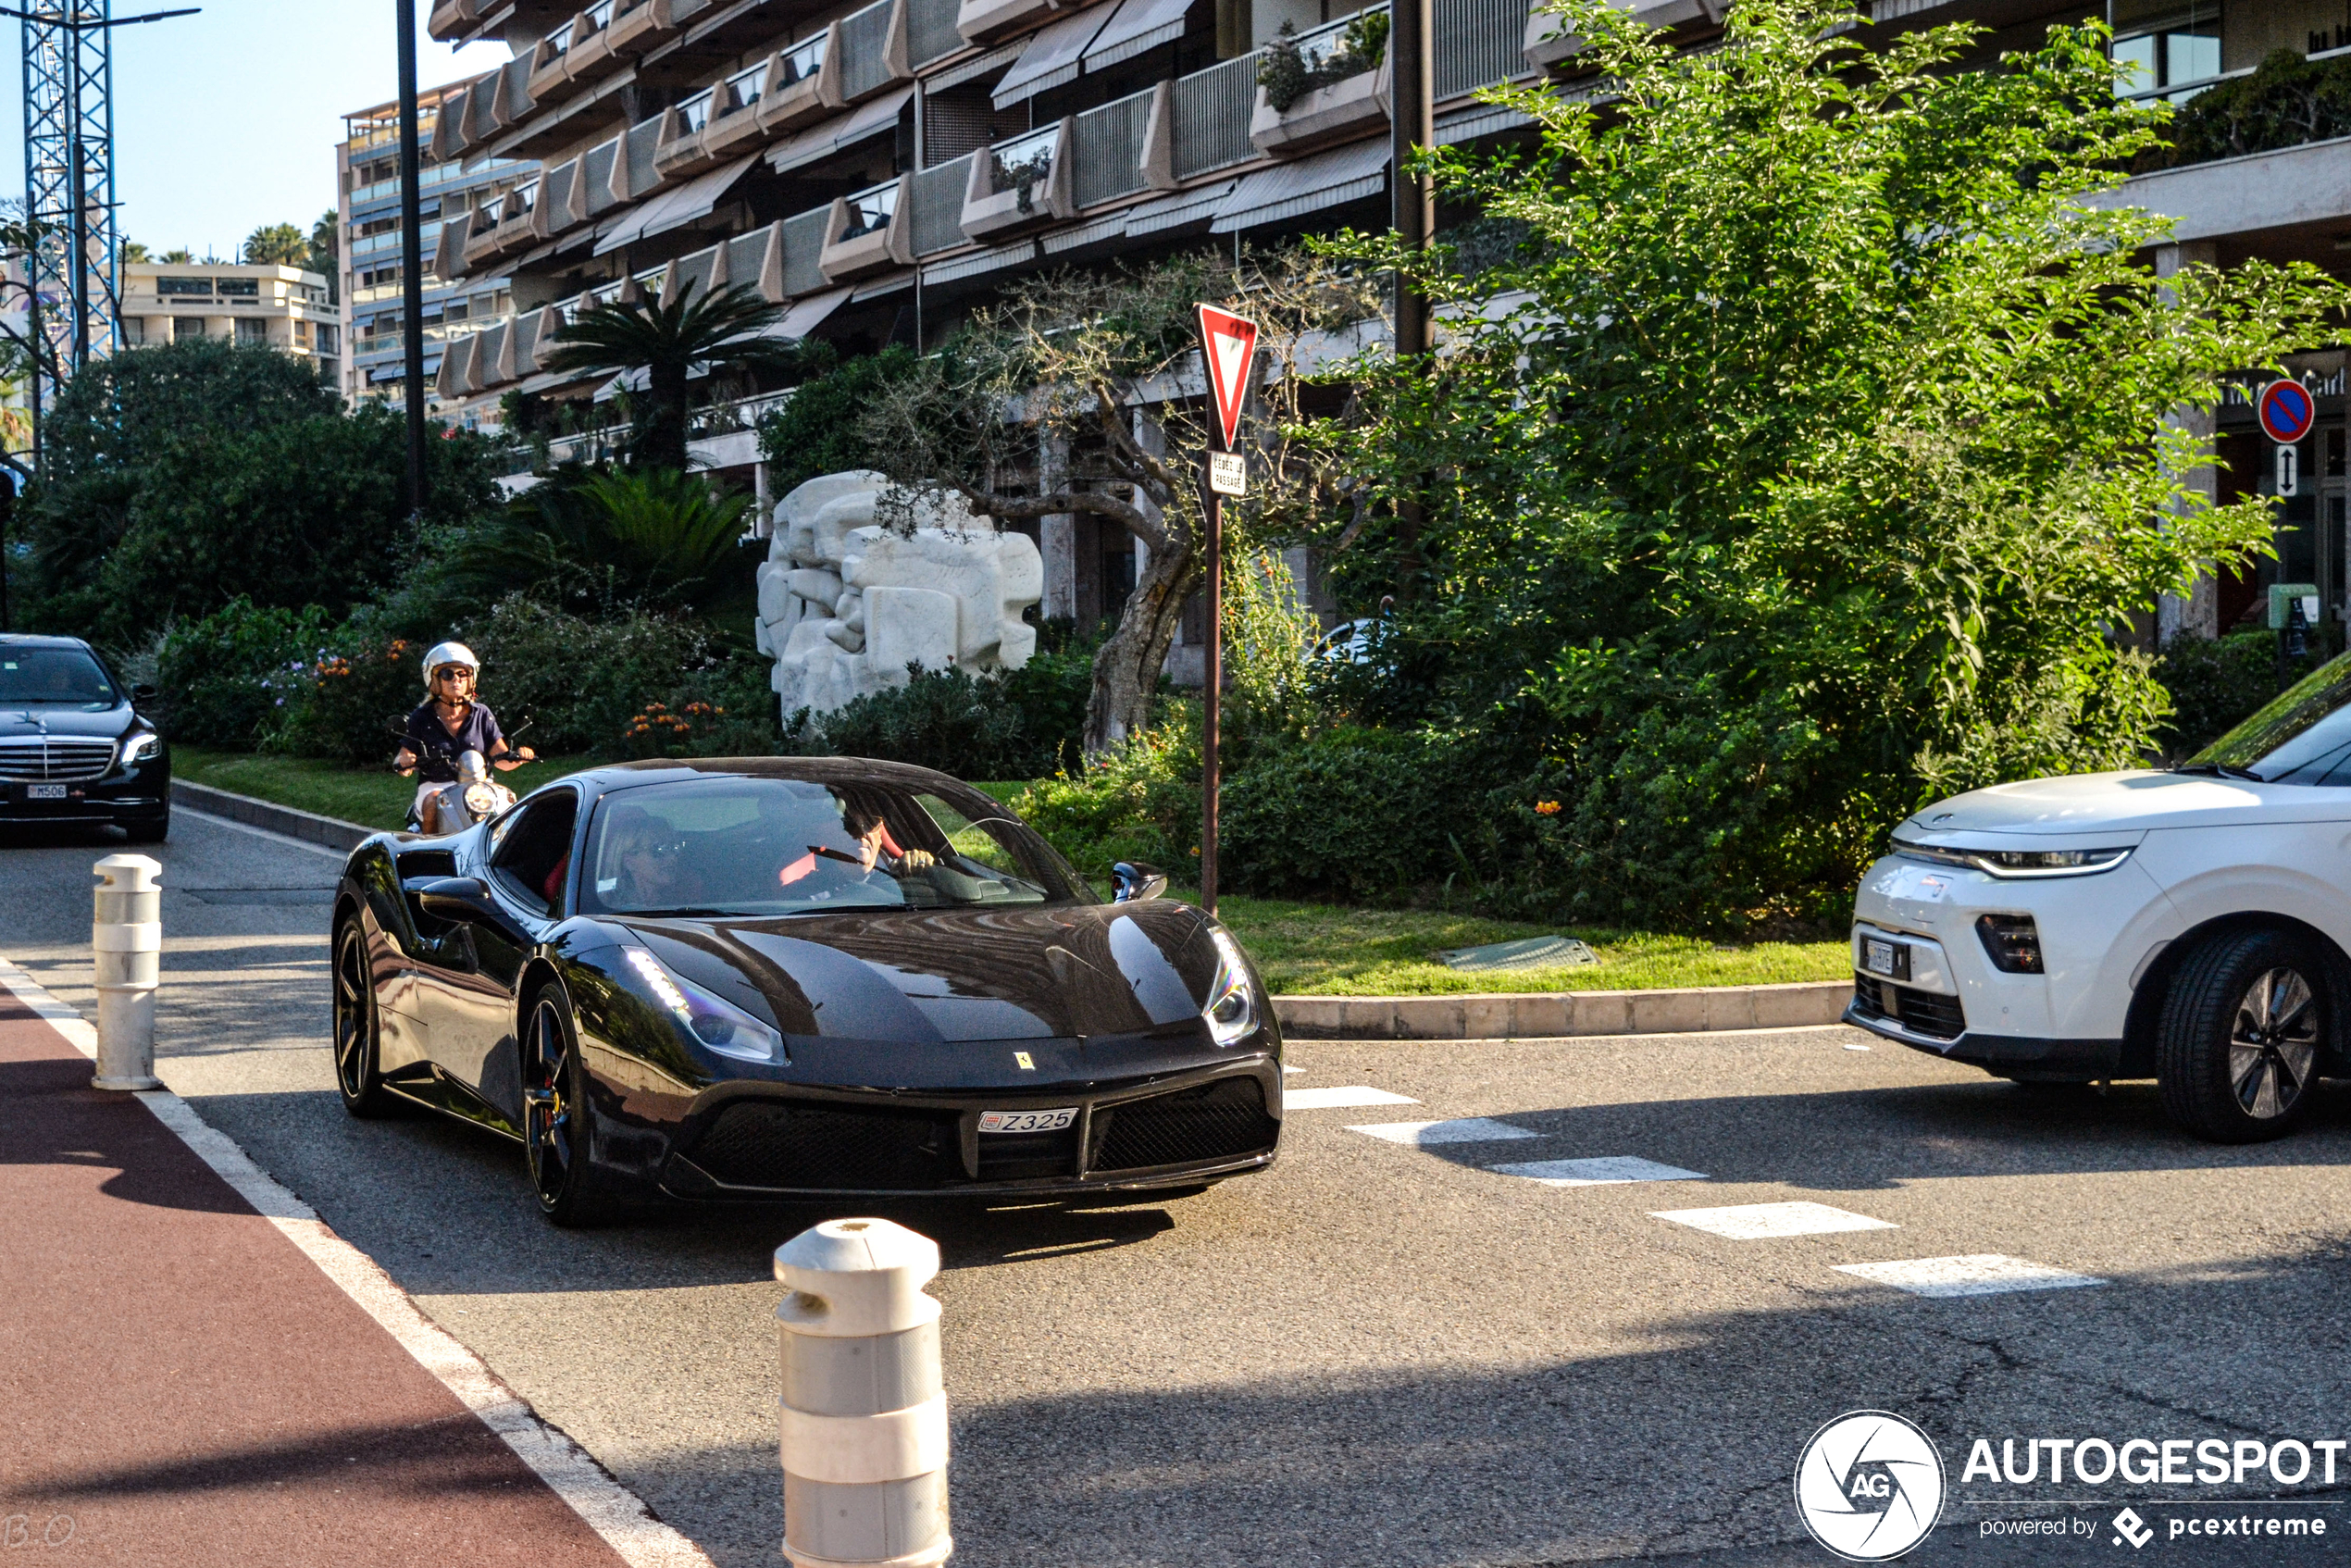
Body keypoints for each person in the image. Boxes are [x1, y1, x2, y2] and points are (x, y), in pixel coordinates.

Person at [393, 642, 535, 828]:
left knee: (509, 802)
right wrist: (405, 760)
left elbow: (501, 757)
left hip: (479, 788)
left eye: (463, 674)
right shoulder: (421, 717)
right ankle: (431, 853)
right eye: (447, 674)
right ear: (434, 680)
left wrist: (520, 756)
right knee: (433, 801)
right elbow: (404, 756)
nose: (456, 680)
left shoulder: (482, 714)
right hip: (437, 786)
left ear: (471, 678)